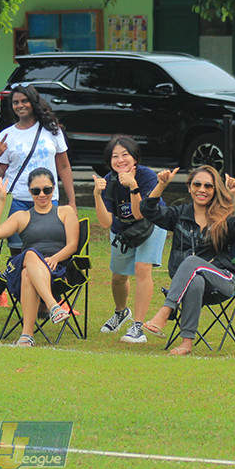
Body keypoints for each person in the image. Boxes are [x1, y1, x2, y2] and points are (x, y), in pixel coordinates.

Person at [139, 166, 235, 355]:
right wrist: (161, 185)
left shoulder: (224, 216)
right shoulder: (179, 215)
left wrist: (234, 195)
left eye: (208, 186)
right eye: (197, 184)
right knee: (195, 279)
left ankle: (166, 311)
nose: (202, 189)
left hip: (222, 280)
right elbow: (147, 210)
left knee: (192, 262)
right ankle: (186, 343)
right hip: (187, 283)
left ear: (215, 190)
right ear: (189, 187)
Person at [0, 168, 79, 347]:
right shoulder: (22, 216)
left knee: (27, 274)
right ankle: (53, 306)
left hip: (57, 269)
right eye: (36, 191)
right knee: (29, 255)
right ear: (30, 192)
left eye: (47, 190)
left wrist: (56, 258)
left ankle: (27, 335)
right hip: (29, 262)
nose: (42, 195)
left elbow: (72, 245)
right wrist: (1, 202)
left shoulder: (65, 212)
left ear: (54, 189)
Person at [92, 136, 168, 344]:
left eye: (125, 154)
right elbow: (105, 223)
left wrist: (133, 186)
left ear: (135, 158)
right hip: (123, 230)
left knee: (142, 268)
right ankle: (121, 312)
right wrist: (97, 195)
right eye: (115, 156)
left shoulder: (147, 177)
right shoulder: (109, 180)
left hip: (151, 225)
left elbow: (140, 214)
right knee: (118, 277)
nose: (120, 160)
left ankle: (138, 326)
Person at [0, 84, 76, 253]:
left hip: (48, 198)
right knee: (18, 251)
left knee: (48, 247)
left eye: (24, 101)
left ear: (33, 102)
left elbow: (64, 167)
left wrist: (72, 201)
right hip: (17, 200)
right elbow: (0, 176)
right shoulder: (7, 135)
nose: (20, 105)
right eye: (15, 102)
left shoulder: (52, 130)